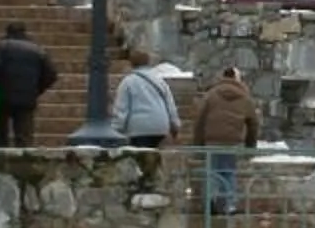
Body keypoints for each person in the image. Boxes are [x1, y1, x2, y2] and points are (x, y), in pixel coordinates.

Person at [0, 22, 58, 148]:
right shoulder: (38, 50)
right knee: (24, 137)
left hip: (2, 96)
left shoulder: (1, 47)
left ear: (8, 32)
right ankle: (23, 162)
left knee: (0, 135)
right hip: (27, 98)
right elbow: (51, 75)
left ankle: (0, 160)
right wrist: (36, 90)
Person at [192, 64, 259, 212]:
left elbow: (200, 120)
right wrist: (250, 146)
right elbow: (253, 123)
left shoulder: (211, 94)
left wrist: (198, 144)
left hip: (212, 140)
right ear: (238, 79)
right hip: (233, 141)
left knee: (212, 171)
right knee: (228, 172)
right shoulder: (245, 97)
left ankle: (210, 201)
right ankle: (229, 204)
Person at [111, 45, 180, 149]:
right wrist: (175, 125)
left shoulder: (128, 82)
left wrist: (116, 129)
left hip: (139, 128)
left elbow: (121, 108)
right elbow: (170, 105)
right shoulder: (159, 80)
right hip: (160, 126)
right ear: (148, 62)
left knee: (141, 159)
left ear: (131, 63)